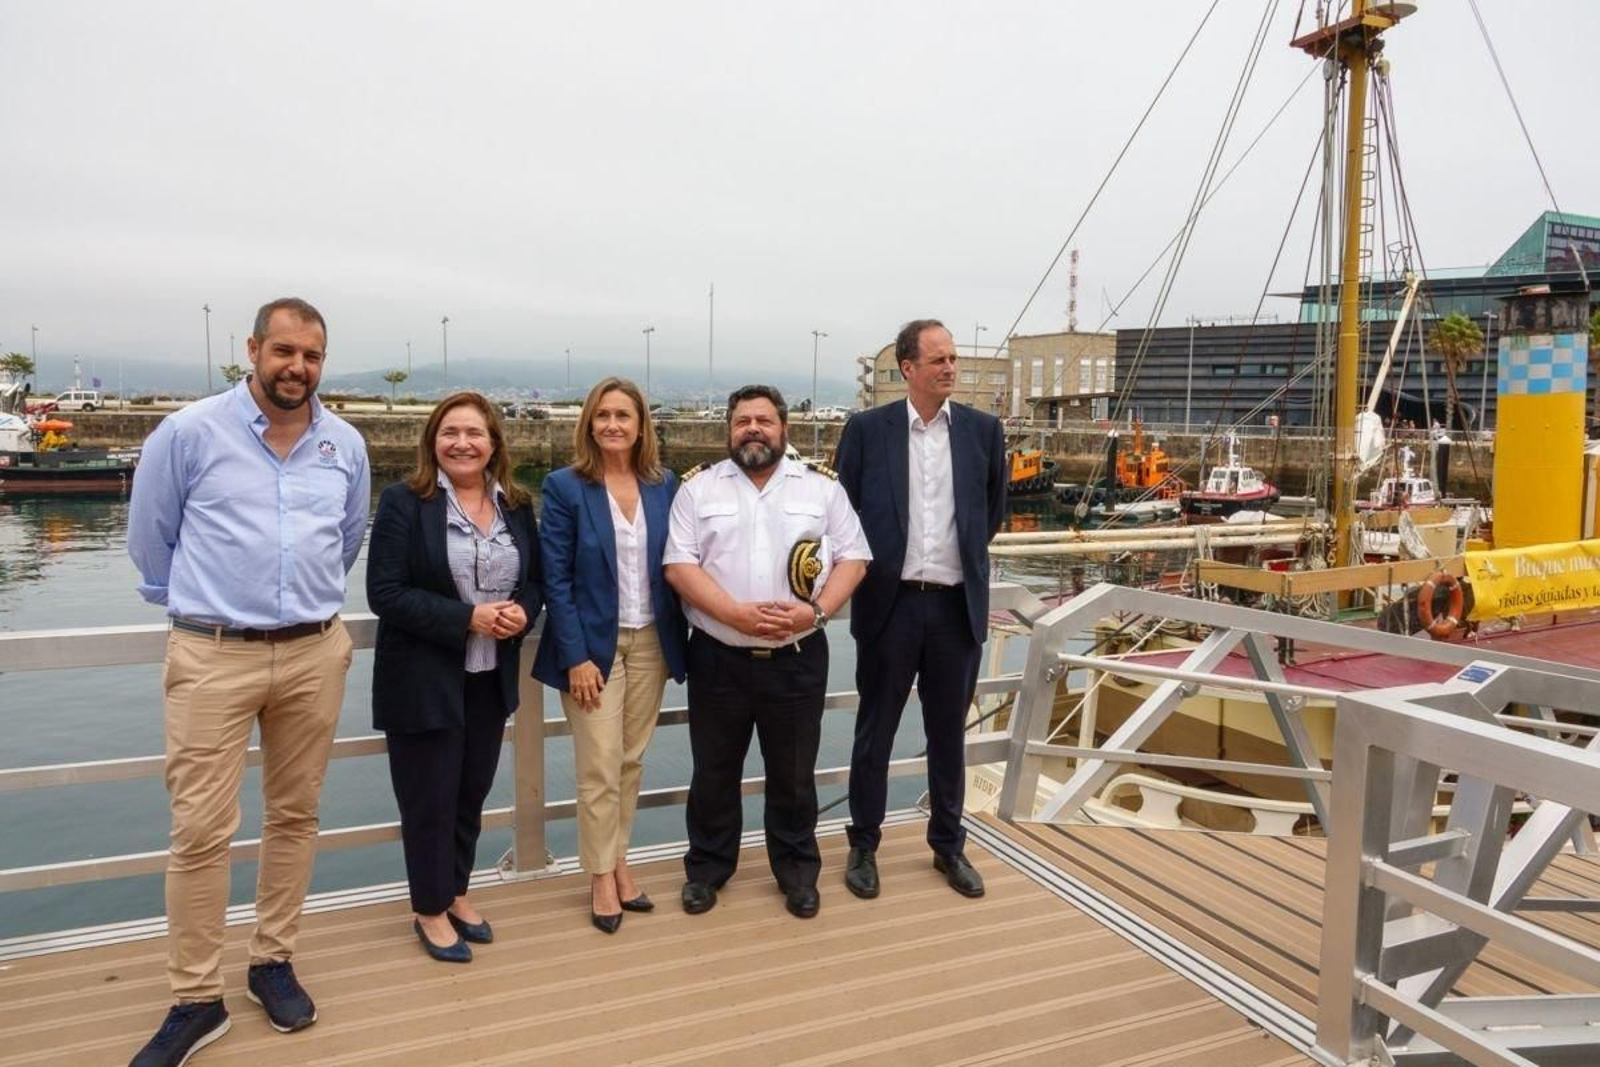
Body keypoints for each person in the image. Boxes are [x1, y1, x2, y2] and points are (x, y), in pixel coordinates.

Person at [126, 298, 369, 1067]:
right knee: (200, 829)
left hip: (313, 651)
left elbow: (347, 538)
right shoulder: (189, 433)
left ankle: (272, 960)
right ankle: (196, 998)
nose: (298, 367)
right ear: (254, 348)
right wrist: (207, 610)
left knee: (296, 815)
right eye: (284, 351)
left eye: (312, 355)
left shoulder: (345, 444)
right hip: (213, 652)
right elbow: (150, 541)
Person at [664, 385, 870, 919]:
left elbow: (854, 558)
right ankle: (707, 869)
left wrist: (817, 612)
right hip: (718, 656)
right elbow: (679, 565)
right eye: (742, 422)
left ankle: (798, 874)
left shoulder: (822, 489)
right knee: (713, 772)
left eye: (763, 420)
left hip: (797, 656)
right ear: (729, 431)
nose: (752, 429)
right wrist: (733, 614)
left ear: (784, 429)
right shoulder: (698, 489)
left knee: (794, 774)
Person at [833, 318, 1007, 901]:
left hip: (956, 608)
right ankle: (863, 846)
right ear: (908, 368)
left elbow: (990, 514)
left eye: (953, 358)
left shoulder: (984, 431)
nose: (950, 368)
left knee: (948, 735)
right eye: (939, 360)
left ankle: (948, 846)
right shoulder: (867, 431)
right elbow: (844, 514)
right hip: (891, 605)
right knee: (875, 731)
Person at [367, 392, 543, 963]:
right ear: (432, 442)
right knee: (429, 801)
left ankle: (456, 891)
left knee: (470, 794)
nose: (462, 443)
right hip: (423, 679)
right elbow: (384, 592)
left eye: (474, 433)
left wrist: (522, 613)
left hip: (489, 677)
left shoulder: (516, 504)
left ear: (494, 443)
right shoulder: (404, 502)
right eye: (450, 433)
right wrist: (467, 618)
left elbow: (534, 582)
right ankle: (429, 908)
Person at [532, 377, 687, 934]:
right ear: (589, 424)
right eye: (603, 416)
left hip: (652, 643)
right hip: (591, 649)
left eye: (623, 415)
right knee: (599, 764)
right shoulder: (565, 487)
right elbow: (555, 578)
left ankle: (619, 861)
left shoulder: (664, 484)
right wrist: (575, 656)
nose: (613, 425)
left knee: (630, 761)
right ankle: (600, 876)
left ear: (641, 425)